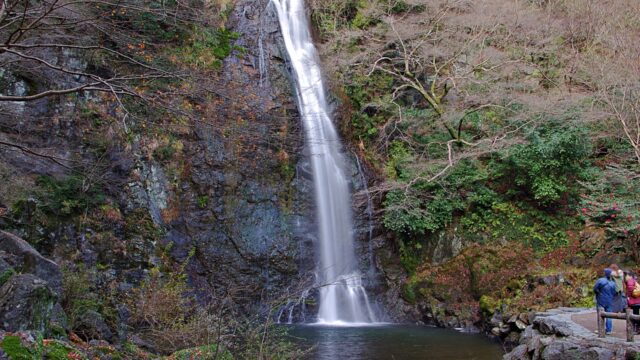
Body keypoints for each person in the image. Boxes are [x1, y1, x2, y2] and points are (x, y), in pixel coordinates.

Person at [594, 268, 617, 335]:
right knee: (609, 315)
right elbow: (614, 292)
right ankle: (609, 330)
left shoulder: (600, 280)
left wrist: (599, 293)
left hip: (601, 299)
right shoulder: (613, 283)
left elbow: (595, 289)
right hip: (609, 300)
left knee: (600, 314)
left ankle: (600, 329)